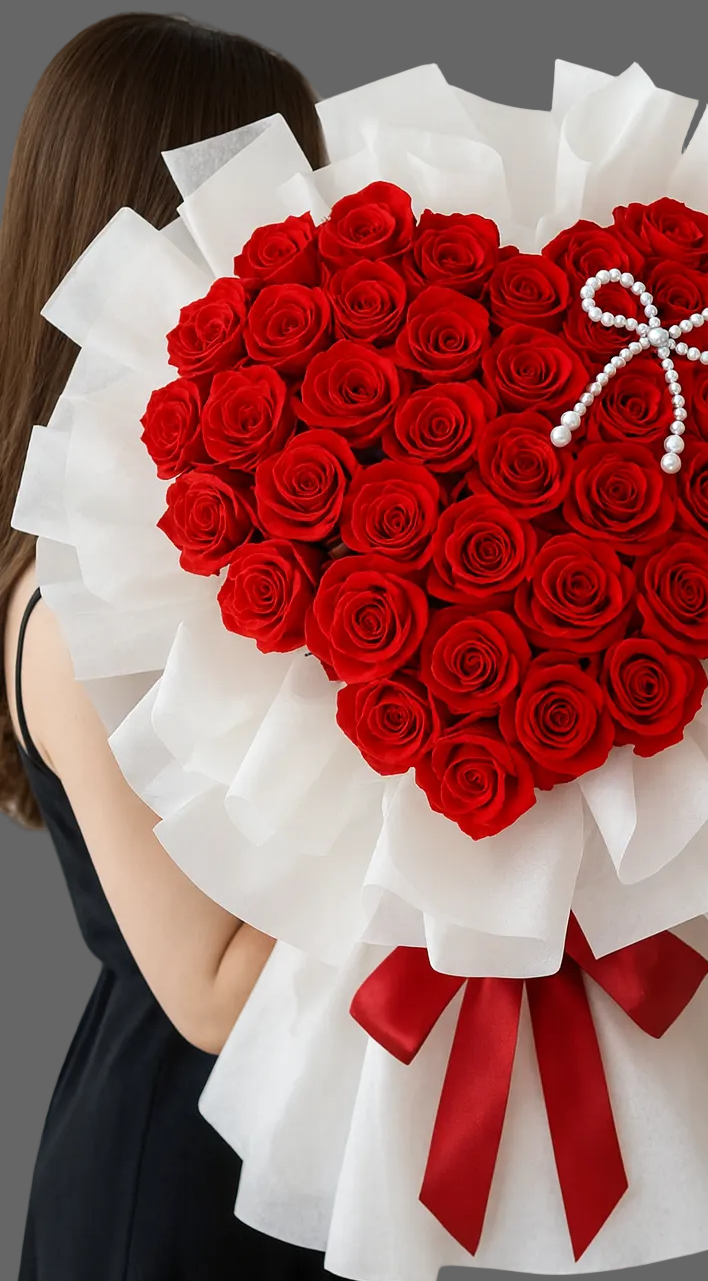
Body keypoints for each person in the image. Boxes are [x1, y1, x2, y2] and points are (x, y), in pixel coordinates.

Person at [0, 14, 339, 1279]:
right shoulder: (73, 594)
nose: (307, 241)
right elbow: (209, 991)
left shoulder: (196, 523)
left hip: (285, 1151)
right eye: (275, 192)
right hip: (180, 1185)